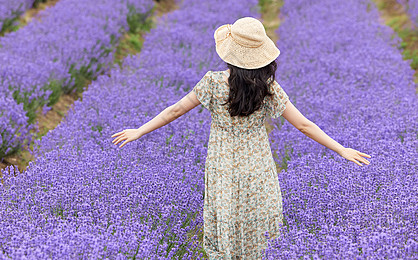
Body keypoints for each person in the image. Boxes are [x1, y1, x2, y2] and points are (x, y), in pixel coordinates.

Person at [111, 17, 371, 259]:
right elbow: (303, 125)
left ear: (230, 54)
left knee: (226, 212)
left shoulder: (212, 83)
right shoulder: (268, 88)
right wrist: (340, 149)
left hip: (222, 163)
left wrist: (140, 130)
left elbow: (175, 111)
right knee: (257, 217)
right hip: (256, 165)